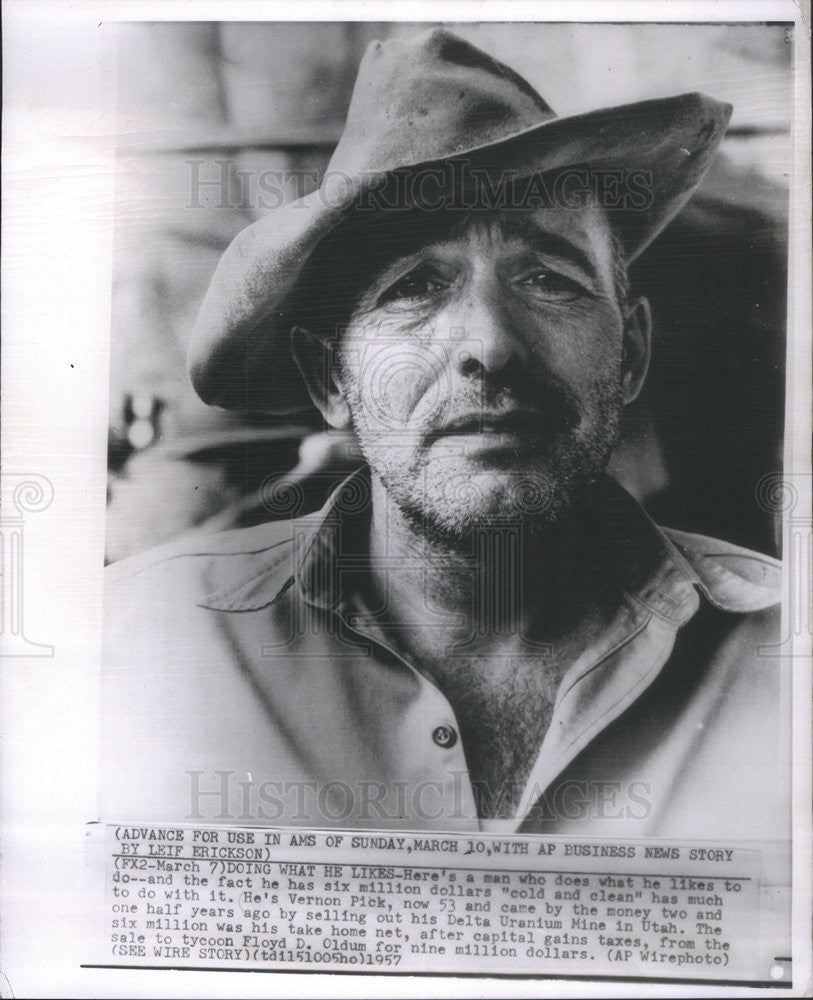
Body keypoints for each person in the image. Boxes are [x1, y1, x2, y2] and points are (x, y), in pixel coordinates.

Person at [101, 29, 787, 841]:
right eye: (415, 287)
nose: (487, 346)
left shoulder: (780, 653)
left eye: (546, 279)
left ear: (630, 350)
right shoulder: (140, 647)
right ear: (330, 380)